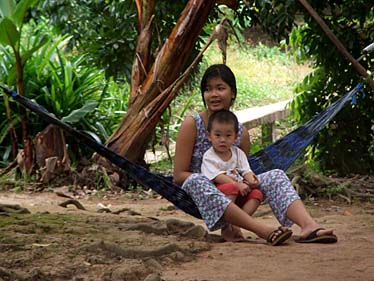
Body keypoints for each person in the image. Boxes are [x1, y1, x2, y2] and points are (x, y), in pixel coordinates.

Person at [173, 63, 337, 245]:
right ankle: (261, 230)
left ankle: (309, 227)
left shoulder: (241, 133)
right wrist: (216, 181)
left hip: (235, 190)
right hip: (200, 192)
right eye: (208, 89)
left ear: (232, 93)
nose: (213, 94)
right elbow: (179, 175)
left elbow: (241, 168)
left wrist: (248, 180)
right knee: (196, 180)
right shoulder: (192, 124)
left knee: (275, 175)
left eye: (220, 88)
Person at [201, 109, 263, 225]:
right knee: (231, 188)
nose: (223, 140)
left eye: (228, 135)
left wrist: (252, 180)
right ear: (209, 136)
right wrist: (237, 184)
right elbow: (217, 177)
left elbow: (246, 170)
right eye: (218, 135)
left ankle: (238, 223)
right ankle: (229, 222)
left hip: (241, 191)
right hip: (220, 195)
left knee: (256, 194)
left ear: (235, 137)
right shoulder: (209, 156)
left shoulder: (238, 153)